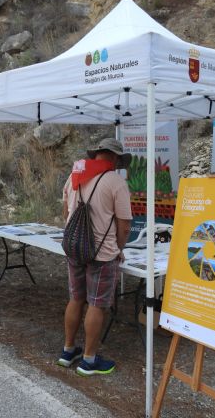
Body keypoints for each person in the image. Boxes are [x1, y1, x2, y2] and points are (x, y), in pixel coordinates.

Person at [58, 138, 132, 376]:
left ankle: (68, 350)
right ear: (115, 158)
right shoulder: (116, 182)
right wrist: (118, 248)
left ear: (97, 154)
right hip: (101, 253)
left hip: (74, 248)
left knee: (76, 298)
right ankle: (89, 360)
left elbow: (65, 211)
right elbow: (125, 226)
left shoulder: (75, 175)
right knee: (97, 304)